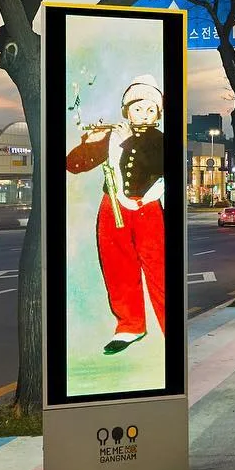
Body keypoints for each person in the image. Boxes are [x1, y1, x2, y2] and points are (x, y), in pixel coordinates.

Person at [65, 74, 167, 356]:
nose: (143, 114)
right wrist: (90, 142)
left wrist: (127, 142)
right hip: (112, 204)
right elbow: (73, 164)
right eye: (137, 108)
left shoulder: (159, 140)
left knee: (159, 267)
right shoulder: (113, 136)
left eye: (150, 109)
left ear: (158, 114)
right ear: (127, 110)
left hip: (148, 206)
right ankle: (130, 325)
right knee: (117, 266)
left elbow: (158, 167)